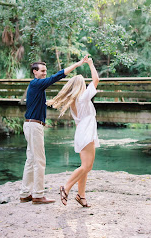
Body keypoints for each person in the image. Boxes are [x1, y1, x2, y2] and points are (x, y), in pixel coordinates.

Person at [19, 55, 88, 205]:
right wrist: (77, 64)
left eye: (45, 71)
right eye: (42, 71)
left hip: (30, 125)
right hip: (34, 125)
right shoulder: (36, 83)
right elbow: (57, 76)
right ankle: (37, 195)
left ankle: (25, 193)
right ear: (34, 72)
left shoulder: (36, 85)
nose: (45, 73)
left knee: (31, 159)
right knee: (39, 161)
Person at [47, 56, 99, 207]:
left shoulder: (73, 102)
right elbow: (96, 80)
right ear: (80, 86)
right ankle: (66, 187)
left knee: (85, 166)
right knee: (87, 166)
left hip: (82, 132)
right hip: (86, 132)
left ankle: (81, 196)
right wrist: (90, 63)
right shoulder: (83, 98)